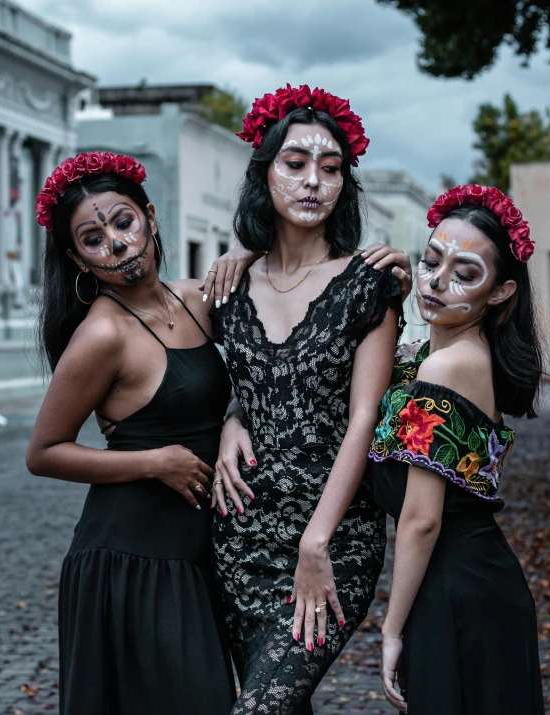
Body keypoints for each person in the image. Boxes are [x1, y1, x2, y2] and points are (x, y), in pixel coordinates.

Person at [26, 151, 253, 715]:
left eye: (122, 222)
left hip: (198, 551)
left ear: (149, 217)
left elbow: (272, 350)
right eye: (93, 239)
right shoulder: (102, 335)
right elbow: (43, 452)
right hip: (130, 559)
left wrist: (248, 251)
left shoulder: (198, 298)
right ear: (77, 258)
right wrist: (155, 462)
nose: (117, 245)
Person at [208, 84, 406, 714]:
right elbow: (225, 378)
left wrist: (315, 543)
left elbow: (364, 419)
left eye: (330, 168)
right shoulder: (231, 283)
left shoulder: (368, 283)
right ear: (263, 173)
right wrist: (229, 420)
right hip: (240, 537)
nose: (313, 181)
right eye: (294, 164)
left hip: (334, 536)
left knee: (260, 707)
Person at [369, 184, 545, 714]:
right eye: (431, 261)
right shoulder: (437, 355)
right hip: (467, 583)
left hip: (458, 588)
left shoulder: (450, 365)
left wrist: (391, 629)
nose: (438, 282)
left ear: (500, 292)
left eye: (465, 274)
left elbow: (421, 520)